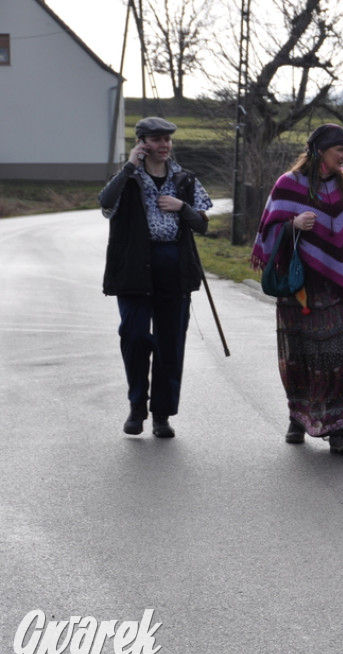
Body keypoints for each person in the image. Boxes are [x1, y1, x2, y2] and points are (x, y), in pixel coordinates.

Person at [251, 124, 343, 455]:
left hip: (337, 292)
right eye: (340, 150)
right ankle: (298, 416)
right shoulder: (288, 185)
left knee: (338, 356)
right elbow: (266, 233)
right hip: (299, 290)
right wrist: (292, 225)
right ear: (321, 150)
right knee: (302, 357)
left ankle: (338, 431)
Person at [99, 116, 213, 438]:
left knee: (170, 344)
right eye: (157, 140)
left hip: (173, 269)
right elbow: (105, 204)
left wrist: (181, 208)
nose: (164, 146)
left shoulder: (184, 180)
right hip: (134, 267)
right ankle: (138, 406)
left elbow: (202, 223)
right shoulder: (128, 178)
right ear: (142, 143)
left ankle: (162, 413)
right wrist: (127, 168)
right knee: (134, 336)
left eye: (168, 140)